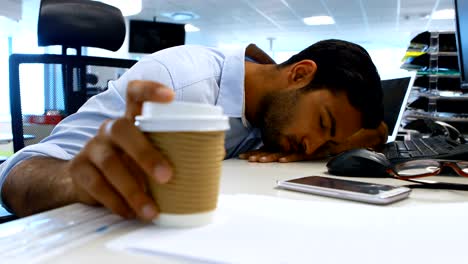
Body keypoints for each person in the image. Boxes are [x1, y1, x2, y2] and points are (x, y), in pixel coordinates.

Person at [0, 39, 388, 221]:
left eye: (329, 142)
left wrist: (333, 143)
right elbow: (16, 174)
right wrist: (76, 181)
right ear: (300, 74)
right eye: (322, 124)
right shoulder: (178, 82)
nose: (312, 145)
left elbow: (377, 132)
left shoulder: (271, 106)